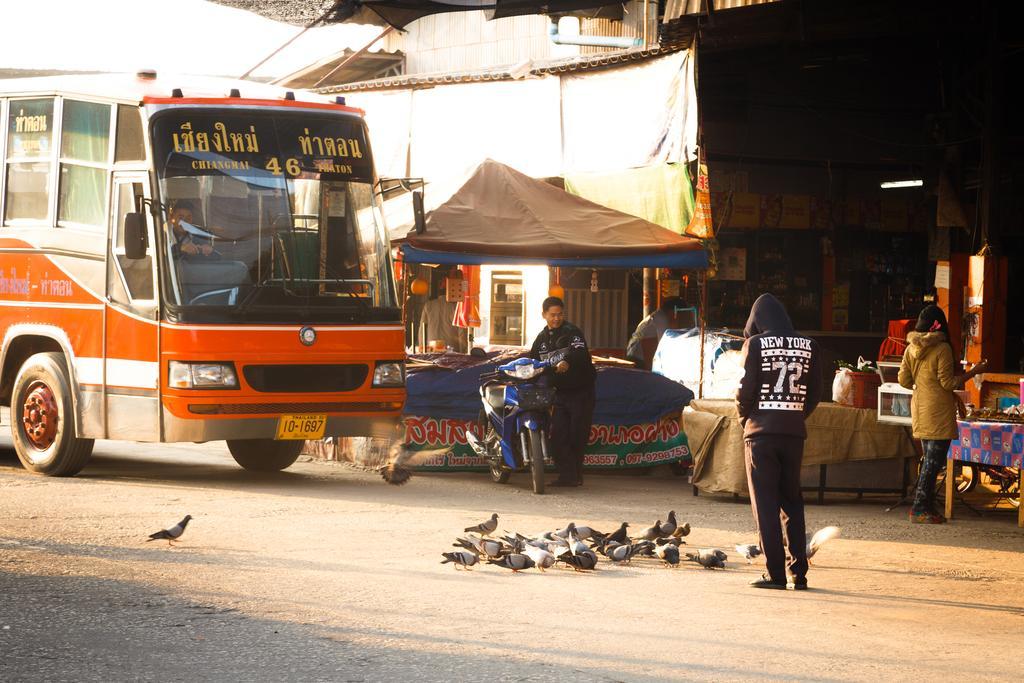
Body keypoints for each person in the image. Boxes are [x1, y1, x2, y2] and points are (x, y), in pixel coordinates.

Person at [736, 293, 822, 590]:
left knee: (766, 504)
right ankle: (799, 573)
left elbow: (744, 391)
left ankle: (775, 574)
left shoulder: (755, 344)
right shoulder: (809, 345)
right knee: (792, 502)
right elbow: (815, 394)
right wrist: (795, 416)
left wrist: (745, 420)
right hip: (793, 434)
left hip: (760, 434)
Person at [898, 305, 986, 524]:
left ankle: (923, 506)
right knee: (933, 463)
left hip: (920, 409)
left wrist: (923, 384)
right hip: (938, 411)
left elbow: (904, 380)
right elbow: (948, 383)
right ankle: (920, 508)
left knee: (929, 460)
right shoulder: (942, 349)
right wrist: (974, 372)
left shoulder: (911, 348)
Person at [530, 296, 596, 487]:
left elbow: (580, 353)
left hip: (581, 392)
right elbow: (533, 363)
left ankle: (574, 476)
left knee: (577, 434)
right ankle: (568, 475)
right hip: (559, 394)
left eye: (559, 314)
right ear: (544, 315)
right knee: (558, 436)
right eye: (552, 315)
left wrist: (567, 362)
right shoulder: (541, 339)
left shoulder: (572, 332)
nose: (556, 319)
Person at [625, 296, 685, 369]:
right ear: (674, 311)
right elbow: (664, 346)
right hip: (638, 360)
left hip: (634, 356)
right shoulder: (661, 318)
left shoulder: (656, 316)